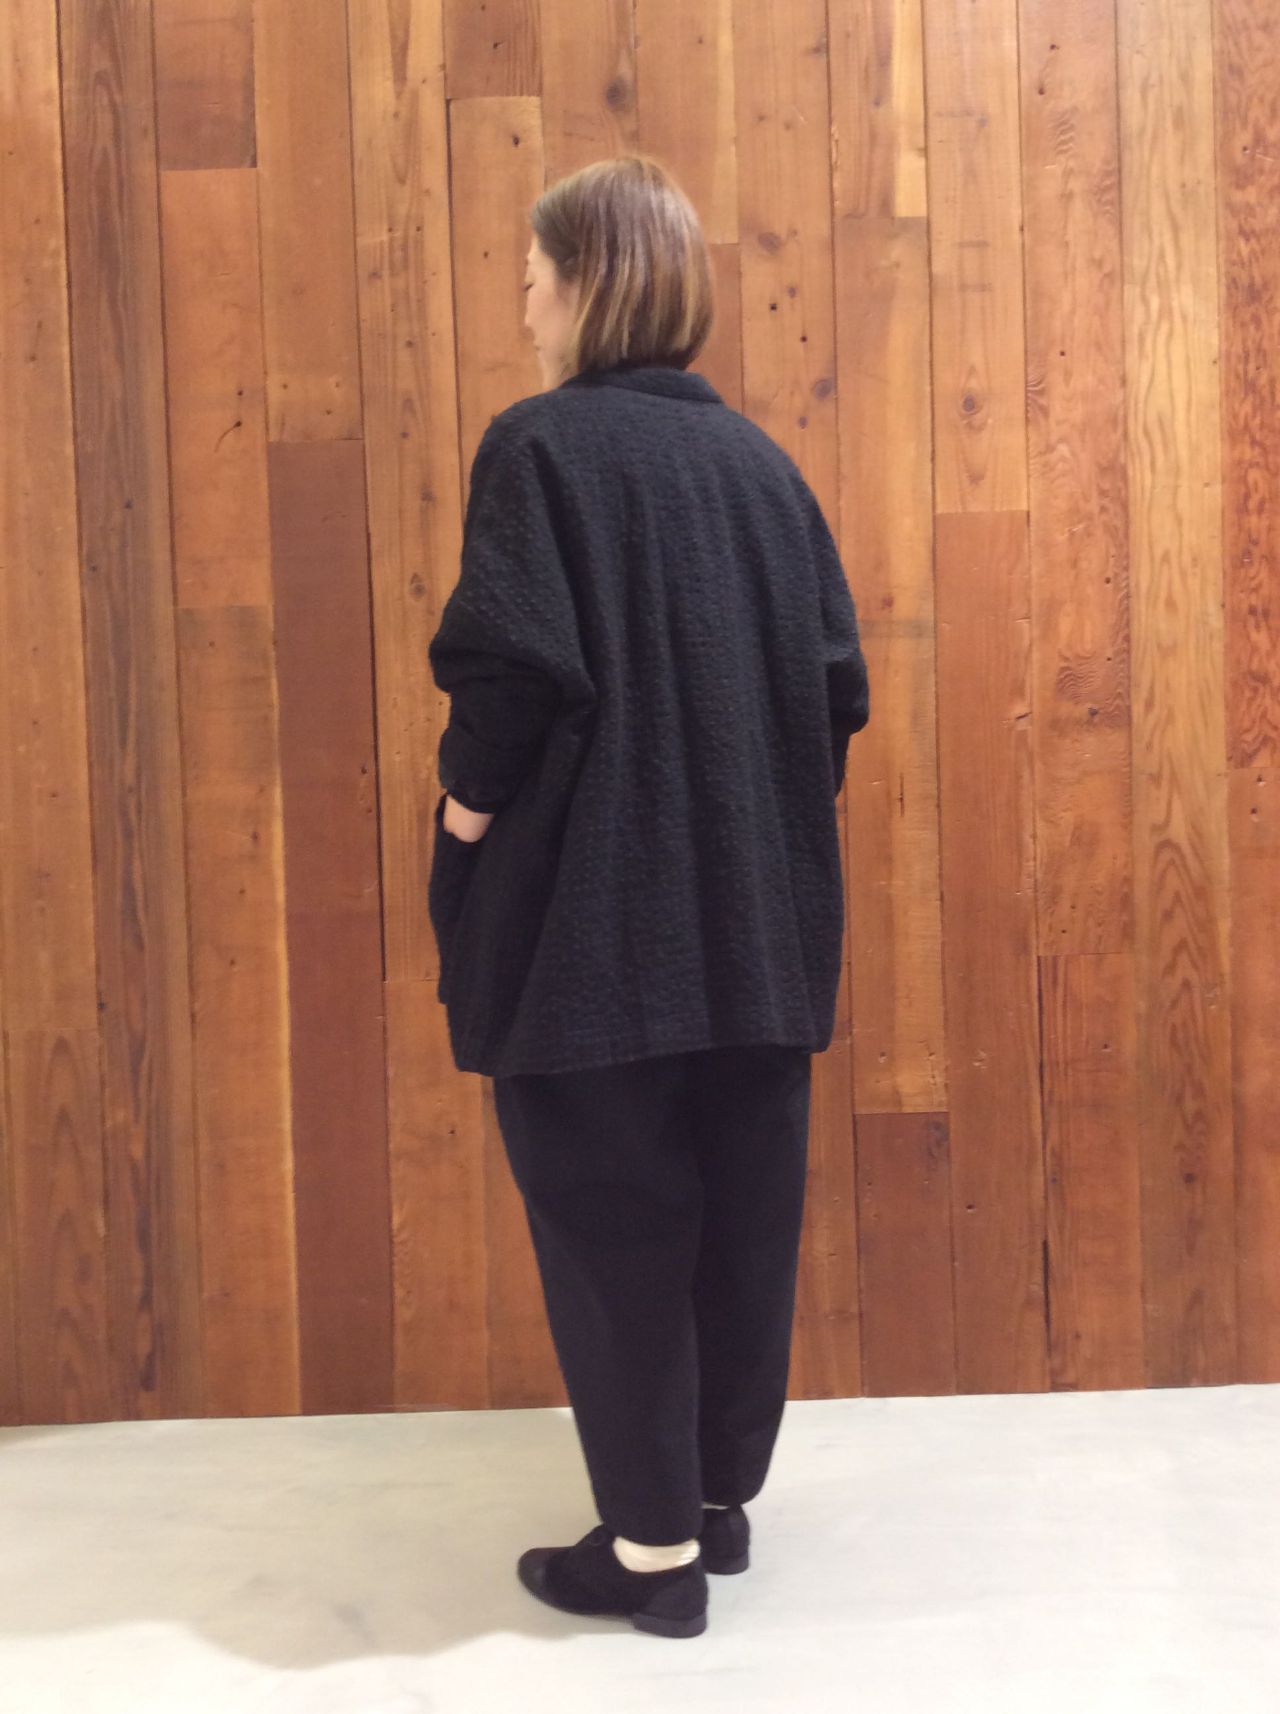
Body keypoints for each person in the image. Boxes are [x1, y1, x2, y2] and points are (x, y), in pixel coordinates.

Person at [426, 156, 870, 1638]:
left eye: (532, 276)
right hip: (761, 923)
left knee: (613, 1224)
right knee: (742, 1219)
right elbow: (835, 694)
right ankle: (714, 1503)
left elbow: (508, 672)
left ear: (586, 283)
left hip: (593, 926)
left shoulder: (539, 449)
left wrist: (463, 815)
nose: (523, 304)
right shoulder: (762, 468)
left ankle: (650, 1556)